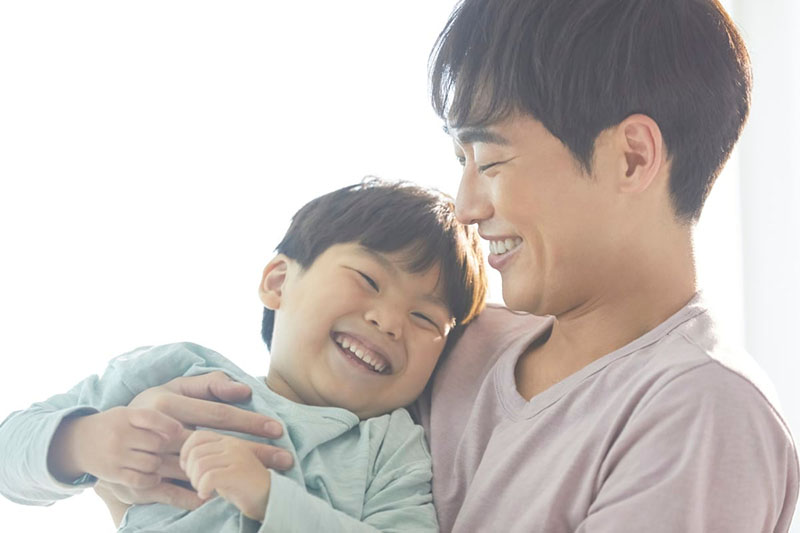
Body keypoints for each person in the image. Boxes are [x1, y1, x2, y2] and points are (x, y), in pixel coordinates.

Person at [16, 0, 800, 531]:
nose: (466, 205)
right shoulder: (454, 344)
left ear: (631, 157)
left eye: (491, 161)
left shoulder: (702, 414)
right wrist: (114, 455)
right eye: (459, 162)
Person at [0, 178, 488, 532]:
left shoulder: (392, 447)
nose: (390, 322)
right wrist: (82, 443)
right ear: (278, 282)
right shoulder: (183, 371)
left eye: (425, 318)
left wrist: (271, 499)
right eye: (368, 280)